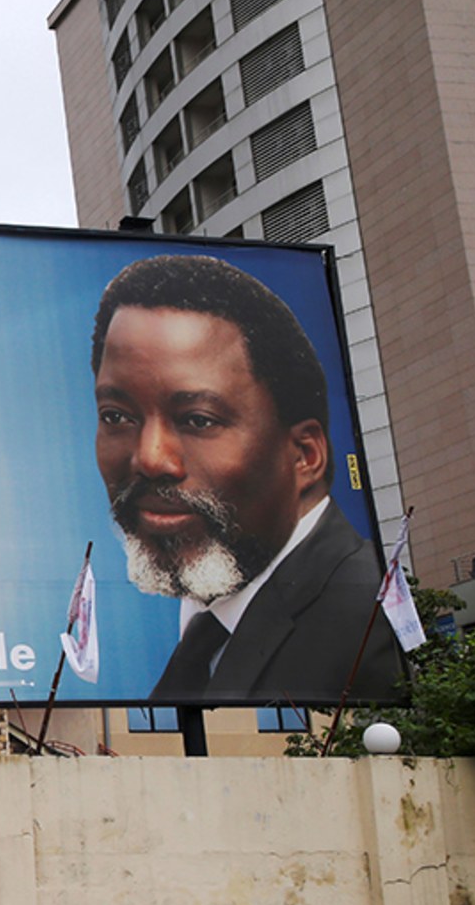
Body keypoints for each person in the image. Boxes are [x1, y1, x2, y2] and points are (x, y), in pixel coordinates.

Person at [89, 254, 402, 704]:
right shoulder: (204, 627)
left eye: (198, 420)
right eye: (116, 416)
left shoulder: (369, 622)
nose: (151, 458)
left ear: (305, 456)